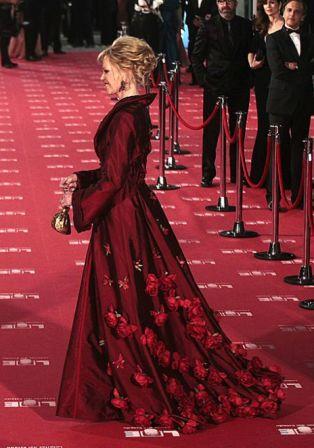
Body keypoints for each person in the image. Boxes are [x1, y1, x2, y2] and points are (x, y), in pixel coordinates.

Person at [56, 35, 284, 431]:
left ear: (127, 72)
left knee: (129, 302)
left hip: (123, 217)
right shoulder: (134, 109)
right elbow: (119, 170)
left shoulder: (127, 116)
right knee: (137, 300)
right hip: (132, 210)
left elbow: (114, 182)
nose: (103, 79)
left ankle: (131, 379)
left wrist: (75, 212)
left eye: (108, 72)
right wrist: (81, 178)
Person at [192, 0, 253, 188]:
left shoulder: (245, 25)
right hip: (214, 86)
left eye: (229, 1)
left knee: (238, 131)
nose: (225, 5)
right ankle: (207, 173)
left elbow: (250, 52)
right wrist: (204, 81)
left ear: (235, 4)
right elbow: (196, 56)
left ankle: (237, 173)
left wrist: (249, 79)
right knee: (211, 132)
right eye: (221, 2)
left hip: (239, 85)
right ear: (217, 4)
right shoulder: (207, 26)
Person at [266, 0, 314, 207]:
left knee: (300, 150)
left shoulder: (311, 39)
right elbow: (277, 69)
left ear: (303, 16)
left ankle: (299, 195)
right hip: (280, 102)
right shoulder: (273, 39)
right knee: (278, 149)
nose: (292, 14)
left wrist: (296, 66)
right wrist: (300, 68)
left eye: (297, 11)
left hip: (303, 101)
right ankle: (273, 196)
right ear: (283, 12)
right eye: (289, 10)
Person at [248, 0, 285, 185]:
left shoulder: (287, 24)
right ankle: (259, 174)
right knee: (265, 123)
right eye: (265, 3)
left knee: (281, 125)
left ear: (279, 4)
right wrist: (251, 62)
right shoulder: (260, 25)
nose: (268, 6)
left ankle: (282, 175)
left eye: (272, 2)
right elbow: (252, 48)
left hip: (282, 80)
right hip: (263, 78)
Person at [184, 0, 217, 85]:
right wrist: (193, 21)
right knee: (193, 52)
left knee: (209, 53)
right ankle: (195, 78)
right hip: (193, 27)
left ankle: (209, 78)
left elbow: (214, 11)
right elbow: (189, 12)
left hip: (208, 28)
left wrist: (204, 21)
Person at [0, 0, 19, 68]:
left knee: (7, 39)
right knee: (4, 38)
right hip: (3, 14)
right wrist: (10, 1)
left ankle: (6, 60)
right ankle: (5, 61)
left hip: (9, 12)